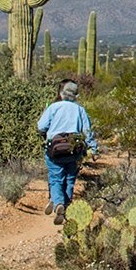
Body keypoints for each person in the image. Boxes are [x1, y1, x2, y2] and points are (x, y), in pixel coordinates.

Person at [37, 79, 98, 223]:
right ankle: (66, 206)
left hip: (54, 149)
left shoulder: (53, 107)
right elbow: (88, 132)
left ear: (61, 93)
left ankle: (58, 203)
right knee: (70, 179)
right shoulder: (80, 110)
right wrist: (94, 149)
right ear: (75, 95)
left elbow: (41, 126)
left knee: (55, 177)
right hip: (74, 150)